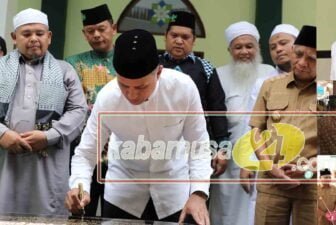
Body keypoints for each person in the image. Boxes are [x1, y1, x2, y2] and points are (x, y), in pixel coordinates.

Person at [65, 29, 212, 225]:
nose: (132, 95)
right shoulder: (108, 98)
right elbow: (86, 153)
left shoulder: (183, 89)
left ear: (158, 72)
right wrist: (79, 187)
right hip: (124, 190)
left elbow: (199, 145)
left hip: (173, 187)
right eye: (124, 86)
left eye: (141, 87)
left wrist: (199, 193)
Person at [0, 8, 87, 215]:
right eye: (26, 33)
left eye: (39, 33)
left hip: (48, 163)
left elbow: (78, 110)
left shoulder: (65, 70)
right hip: (5, 159)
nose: (33, 39)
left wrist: (49, 136)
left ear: (49, 37)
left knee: (46, 215)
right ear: (14, 38)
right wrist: (2, 134)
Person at [208, 21, 275, 225]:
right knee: (226, 215)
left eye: (249, 46)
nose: (244, 52)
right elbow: (215, 117)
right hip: (228, 161)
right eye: (238, 47)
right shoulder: (218, 75)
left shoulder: (270, 73)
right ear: (229, 50)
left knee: (257, 212)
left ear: (258, 48)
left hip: (264, 156)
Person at [249, 25, 317, 225]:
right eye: (298, 54)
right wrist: (271, 168)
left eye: (312, 59)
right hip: (272, 183)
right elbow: (256, 131)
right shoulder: (270, 85)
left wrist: (308, 169)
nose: (302, 63)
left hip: (312, 186)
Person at [159, 11, 229, 176]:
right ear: (165, 36)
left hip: (198, 146)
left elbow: (217, 108)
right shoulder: (154, 65)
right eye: (174, 35)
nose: (178, 41)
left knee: (197, 195)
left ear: (194, 41)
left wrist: (223, 149)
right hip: (157, 147)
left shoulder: (205, 67)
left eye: (185, 37)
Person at [65, 3, 117, 217]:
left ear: (113, 28)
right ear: (84, 34)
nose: (96, 35)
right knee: (80, 210)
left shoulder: (126, 61)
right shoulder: (72, 64)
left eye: (101, 29)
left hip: (120, 154)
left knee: (114, 214)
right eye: (90, 31)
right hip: (85, 150)